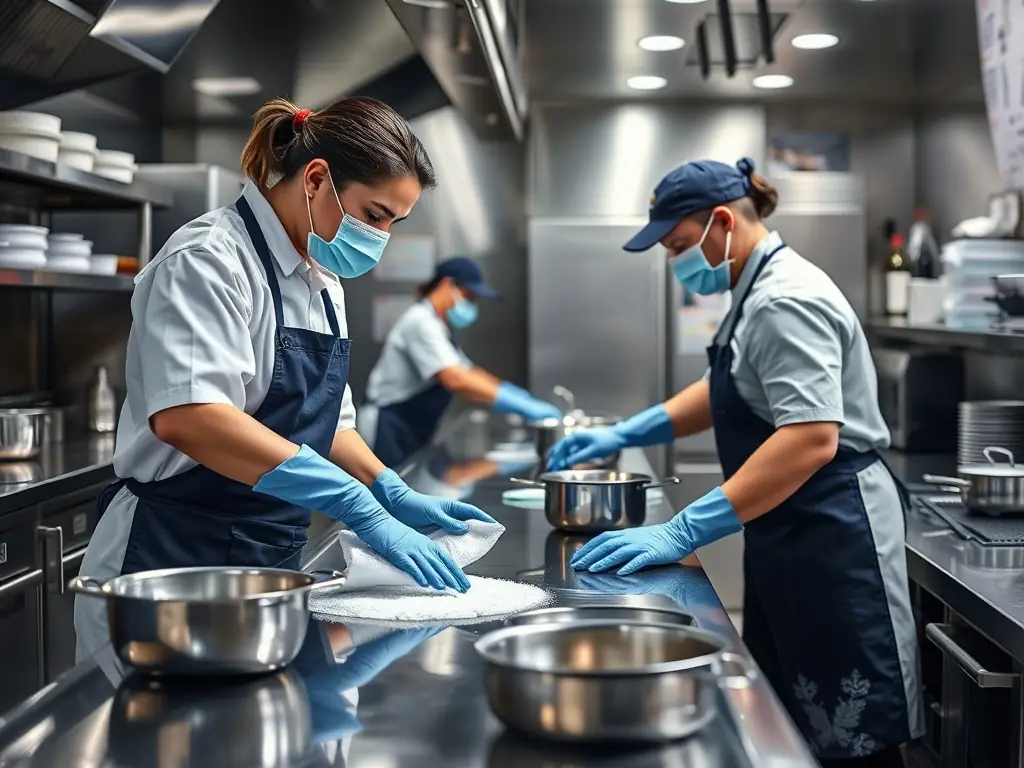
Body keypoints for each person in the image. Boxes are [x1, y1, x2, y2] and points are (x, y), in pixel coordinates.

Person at [74, 97, 496, 660]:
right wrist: (356, 504)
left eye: (395, 222)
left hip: (268, 567)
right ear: (316, 179)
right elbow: (193, 418)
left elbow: (332, 423)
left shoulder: (322, 283)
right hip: (170, 561)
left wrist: (388, 489)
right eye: (374, 215)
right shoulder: (209, 259)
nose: (381, 238)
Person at [550, 158, 922, 767]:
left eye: (676, 245)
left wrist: (683, 530)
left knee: (854, 733)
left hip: (835, 531)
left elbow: (810, 438)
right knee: (792, 717)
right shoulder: (752, 290)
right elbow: (728, 388)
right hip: (791, 525)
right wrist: (624, 430)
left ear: (720, 223)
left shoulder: (784, 299)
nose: (675, 263)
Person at [358, 257, 561, 467]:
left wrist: (517, 396)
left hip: (408, 424)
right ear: (447, 284)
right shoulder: (420, 323)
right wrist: (523, 406)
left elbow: (469, 372)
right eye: (468, 296)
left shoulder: (438, 326)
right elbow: (456, 379)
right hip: (388, 425)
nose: (471, 304)